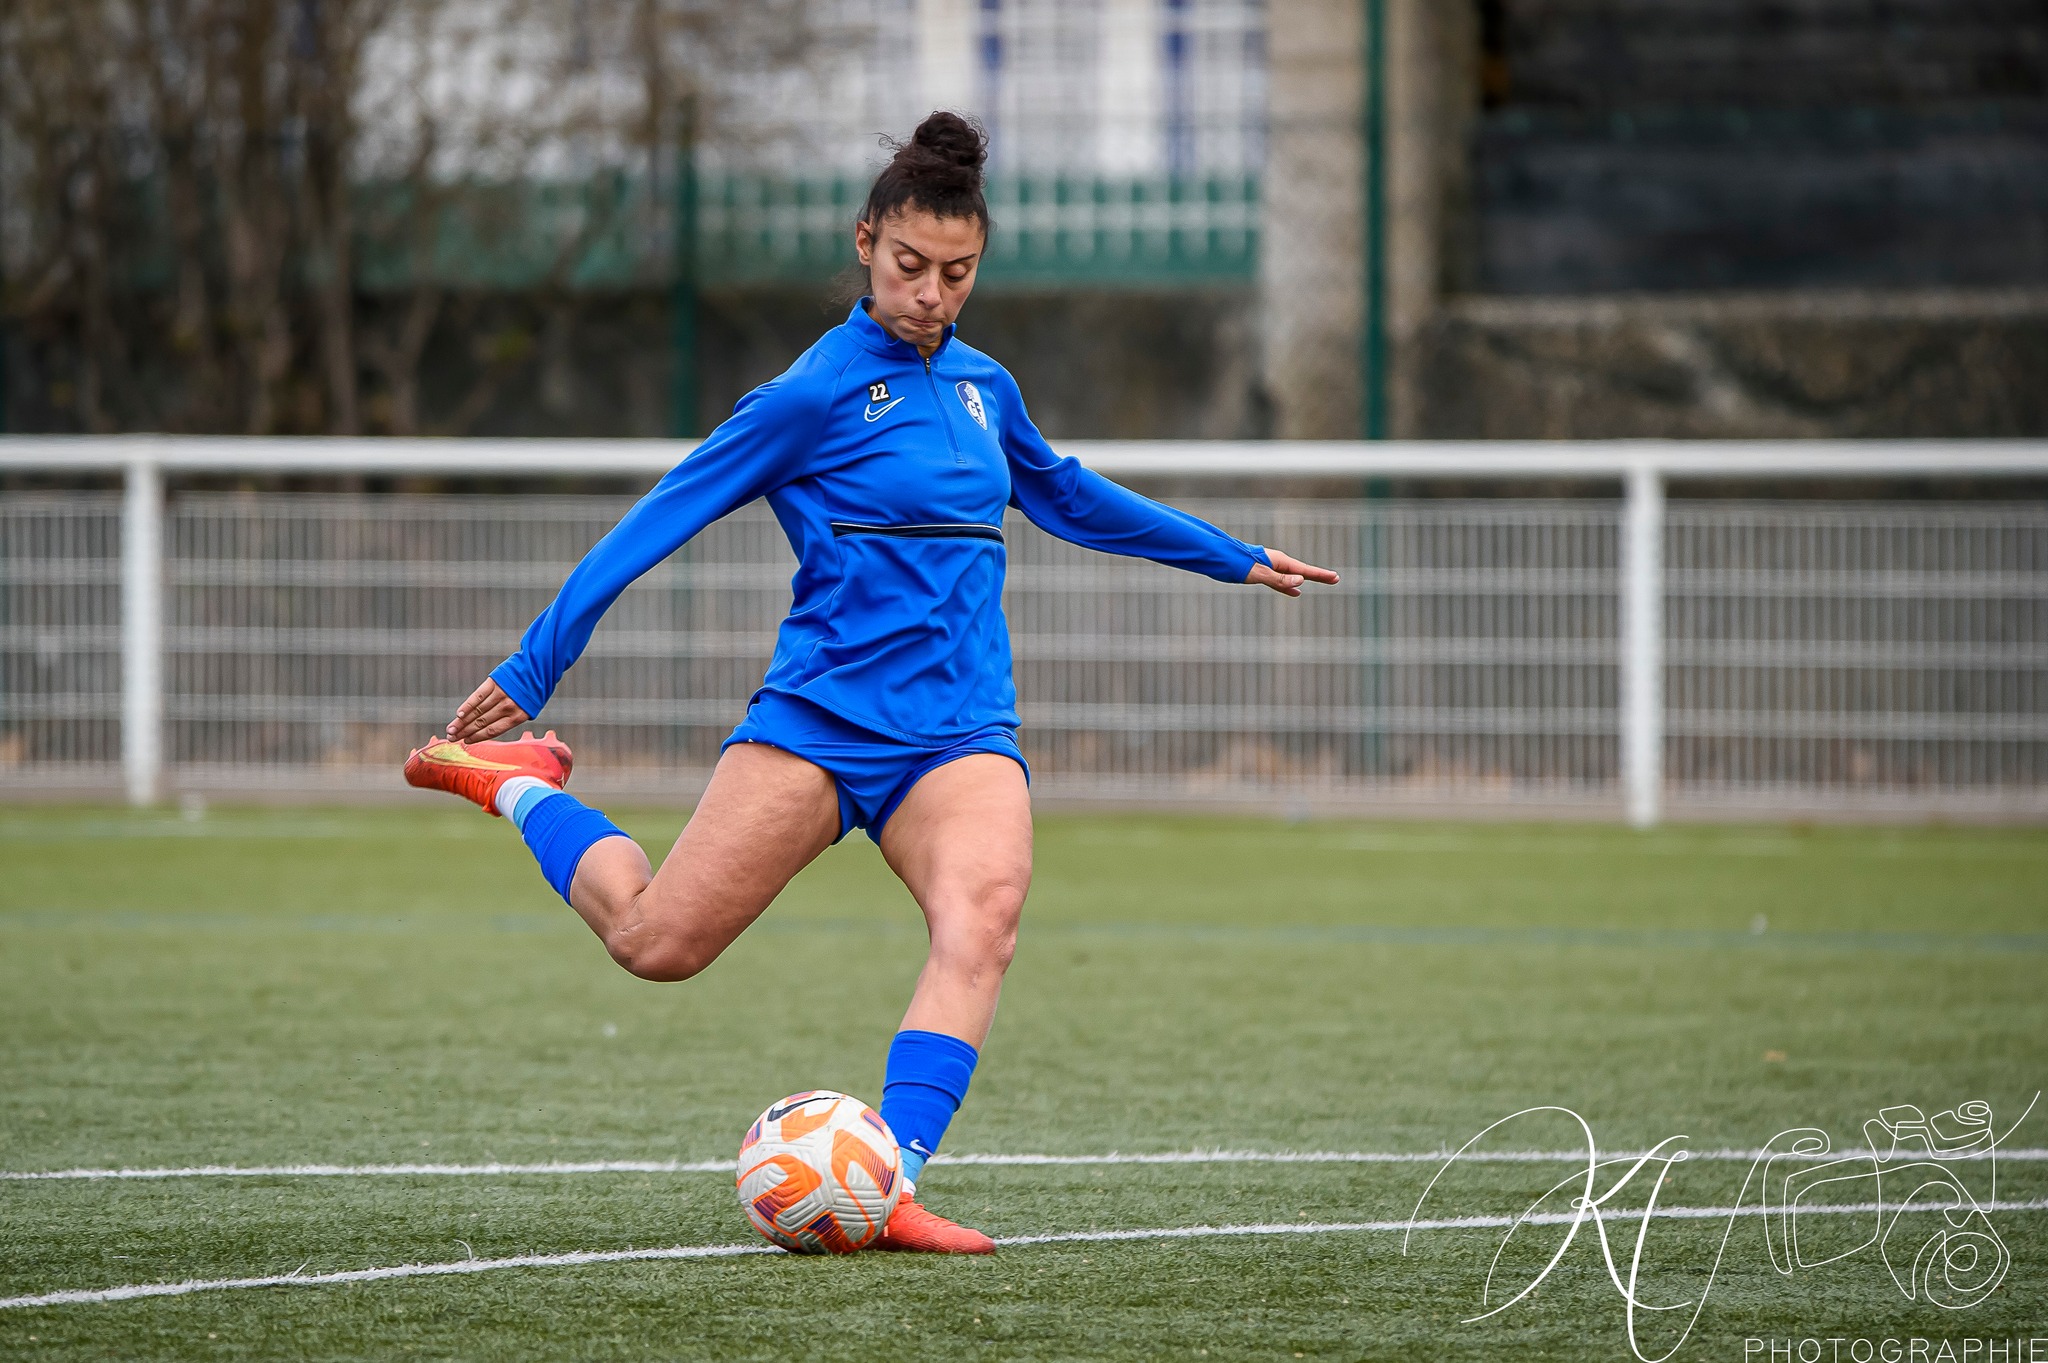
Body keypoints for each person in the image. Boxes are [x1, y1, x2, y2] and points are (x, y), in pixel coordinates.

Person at [404, 111, 1339, 1253]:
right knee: (654, 942)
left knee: (983, 918)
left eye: (958, 273)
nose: (932, 295)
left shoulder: (988, 388)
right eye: (909, 266)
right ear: (864, 244)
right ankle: (516, 782)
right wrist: (532, 667)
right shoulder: (810, 396)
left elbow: (1066, 495)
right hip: (820, 723)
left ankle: (887, 1185)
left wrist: (1229, 554)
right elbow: (655, 522)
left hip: (959, 732)